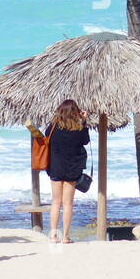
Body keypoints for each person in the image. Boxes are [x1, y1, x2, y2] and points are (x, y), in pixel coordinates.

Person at [45, 99, 90, 244]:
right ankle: (65, 237)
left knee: (56, 202)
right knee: (68, 203)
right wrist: (83, 121)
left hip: (56, 167)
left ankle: (53, 236)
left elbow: (46, 137)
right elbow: (85, 141)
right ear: (76, 112)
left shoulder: (53, 127)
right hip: (72, 169)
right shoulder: (78, 129)